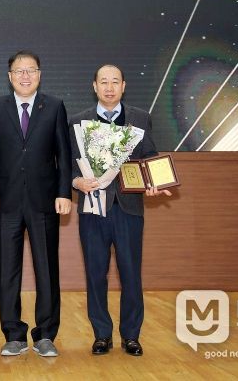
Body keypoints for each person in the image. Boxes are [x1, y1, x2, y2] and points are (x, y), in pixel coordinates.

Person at [69, 64, 171, 357]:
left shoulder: (140, 118)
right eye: (104, 82)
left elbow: (149, 157)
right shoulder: (77, 121)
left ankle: (131, 335)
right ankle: (101, 334)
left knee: (130, 273)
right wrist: (76, 182)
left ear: (124, 86)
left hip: (128, 209)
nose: (109, 87)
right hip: (92, 208)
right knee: (95, 274)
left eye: (115, 82)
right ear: (94, 86)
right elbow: (66, 164)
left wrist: (153, 182)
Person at [0, 51, 72, 357]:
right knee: (7, 270)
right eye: (19, 71)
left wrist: (64, 193)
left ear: (39, 75)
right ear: (10, 77)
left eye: (30, 70)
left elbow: (64, 153)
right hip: (6, 202)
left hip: (44, 201)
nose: (25, 76)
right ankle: (14, 334)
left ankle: (45, 334)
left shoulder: (54, 106)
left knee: (47, 269)